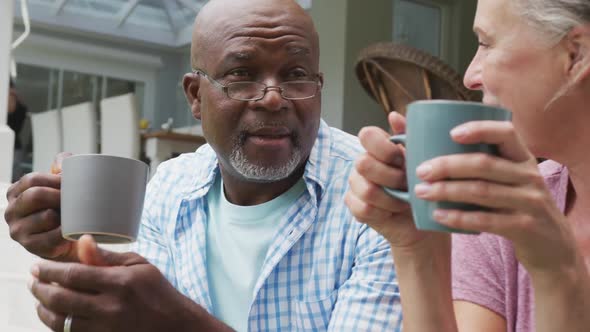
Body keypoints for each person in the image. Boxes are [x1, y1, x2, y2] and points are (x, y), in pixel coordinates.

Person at [3, 0, 401, 331]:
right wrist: (81, 261)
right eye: (241, 76)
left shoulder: (380, 199)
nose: (273, 98)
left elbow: (160, 317)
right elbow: (138, 308)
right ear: (195, 96)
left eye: (296, 76)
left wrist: (178, 325)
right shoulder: (172, 186)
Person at [345, 0, 590, 331]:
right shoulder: (506, 208)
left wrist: (559, 274)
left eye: (486, 43)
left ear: (575, 55)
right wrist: (416, 248)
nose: (471, 76)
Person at [7, 78, 28, 182]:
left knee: (13, 178)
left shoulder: (20, 108)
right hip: (14, 147)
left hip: (14, 147)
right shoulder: (21, 107)